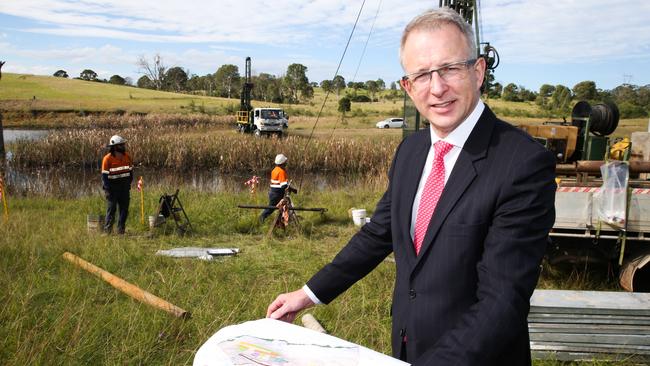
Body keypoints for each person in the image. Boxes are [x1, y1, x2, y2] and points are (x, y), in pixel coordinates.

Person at [266, 7, 556, 366]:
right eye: (421, 75)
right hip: (408, 345)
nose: (437, 88)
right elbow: (378, 234)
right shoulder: (411, 150)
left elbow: (501, 301)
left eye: (450, 68)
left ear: (478, 71)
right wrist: (308, 294)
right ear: (407, 86)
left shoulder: (522, 164)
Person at [101, 135, 133, 234]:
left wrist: (128, 184)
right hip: (112, 189)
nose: (123, 146)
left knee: (124, 210)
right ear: (115, 147)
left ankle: (121, 230)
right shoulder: (107, 159)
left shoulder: (127, 156)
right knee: (111, 210)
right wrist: (107, 190)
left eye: (123, 144)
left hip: (124, 188)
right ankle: (108, 232)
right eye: (121, 144)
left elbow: (131, 172)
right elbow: (104, 177)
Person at [259, 154, 297, 223]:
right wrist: (292, 189)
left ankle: (280, 222)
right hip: (277, 194)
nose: (286, 163)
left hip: (273, 192)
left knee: (280, 208)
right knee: (271, 208)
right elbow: (284, 185)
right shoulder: (281, 171)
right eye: (285, 162)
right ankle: (261, 218)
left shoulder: (274, 170)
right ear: (282, 163)